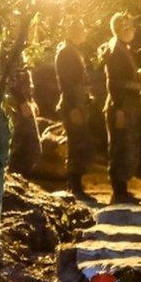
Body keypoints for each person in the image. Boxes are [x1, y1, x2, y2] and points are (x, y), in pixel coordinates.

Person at [103, 12, 141, 205]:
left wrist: (136, 77)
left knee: (127, 146)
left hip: (127, 105)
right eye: (131, 25)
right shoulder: (115, 50)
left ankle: (123, 191)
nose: (134, 29)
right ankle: (119, 193)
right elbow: (114, 83)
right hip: (120, 105)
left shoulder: (122, 48)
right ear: (122, 27)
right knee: (120, 147)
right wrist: (119, 107)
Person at [56, 21, 96, 202]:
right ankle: (74, 186)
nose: (84, 33)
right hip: (72, 102)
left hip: (78, 101)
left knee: (80, 141)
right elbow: (66, 82)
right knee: (76, 143)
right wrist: (73, 106)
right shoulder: (66, 53)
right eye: (81, 30)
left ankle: (76, 184)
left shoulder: (73, 52)